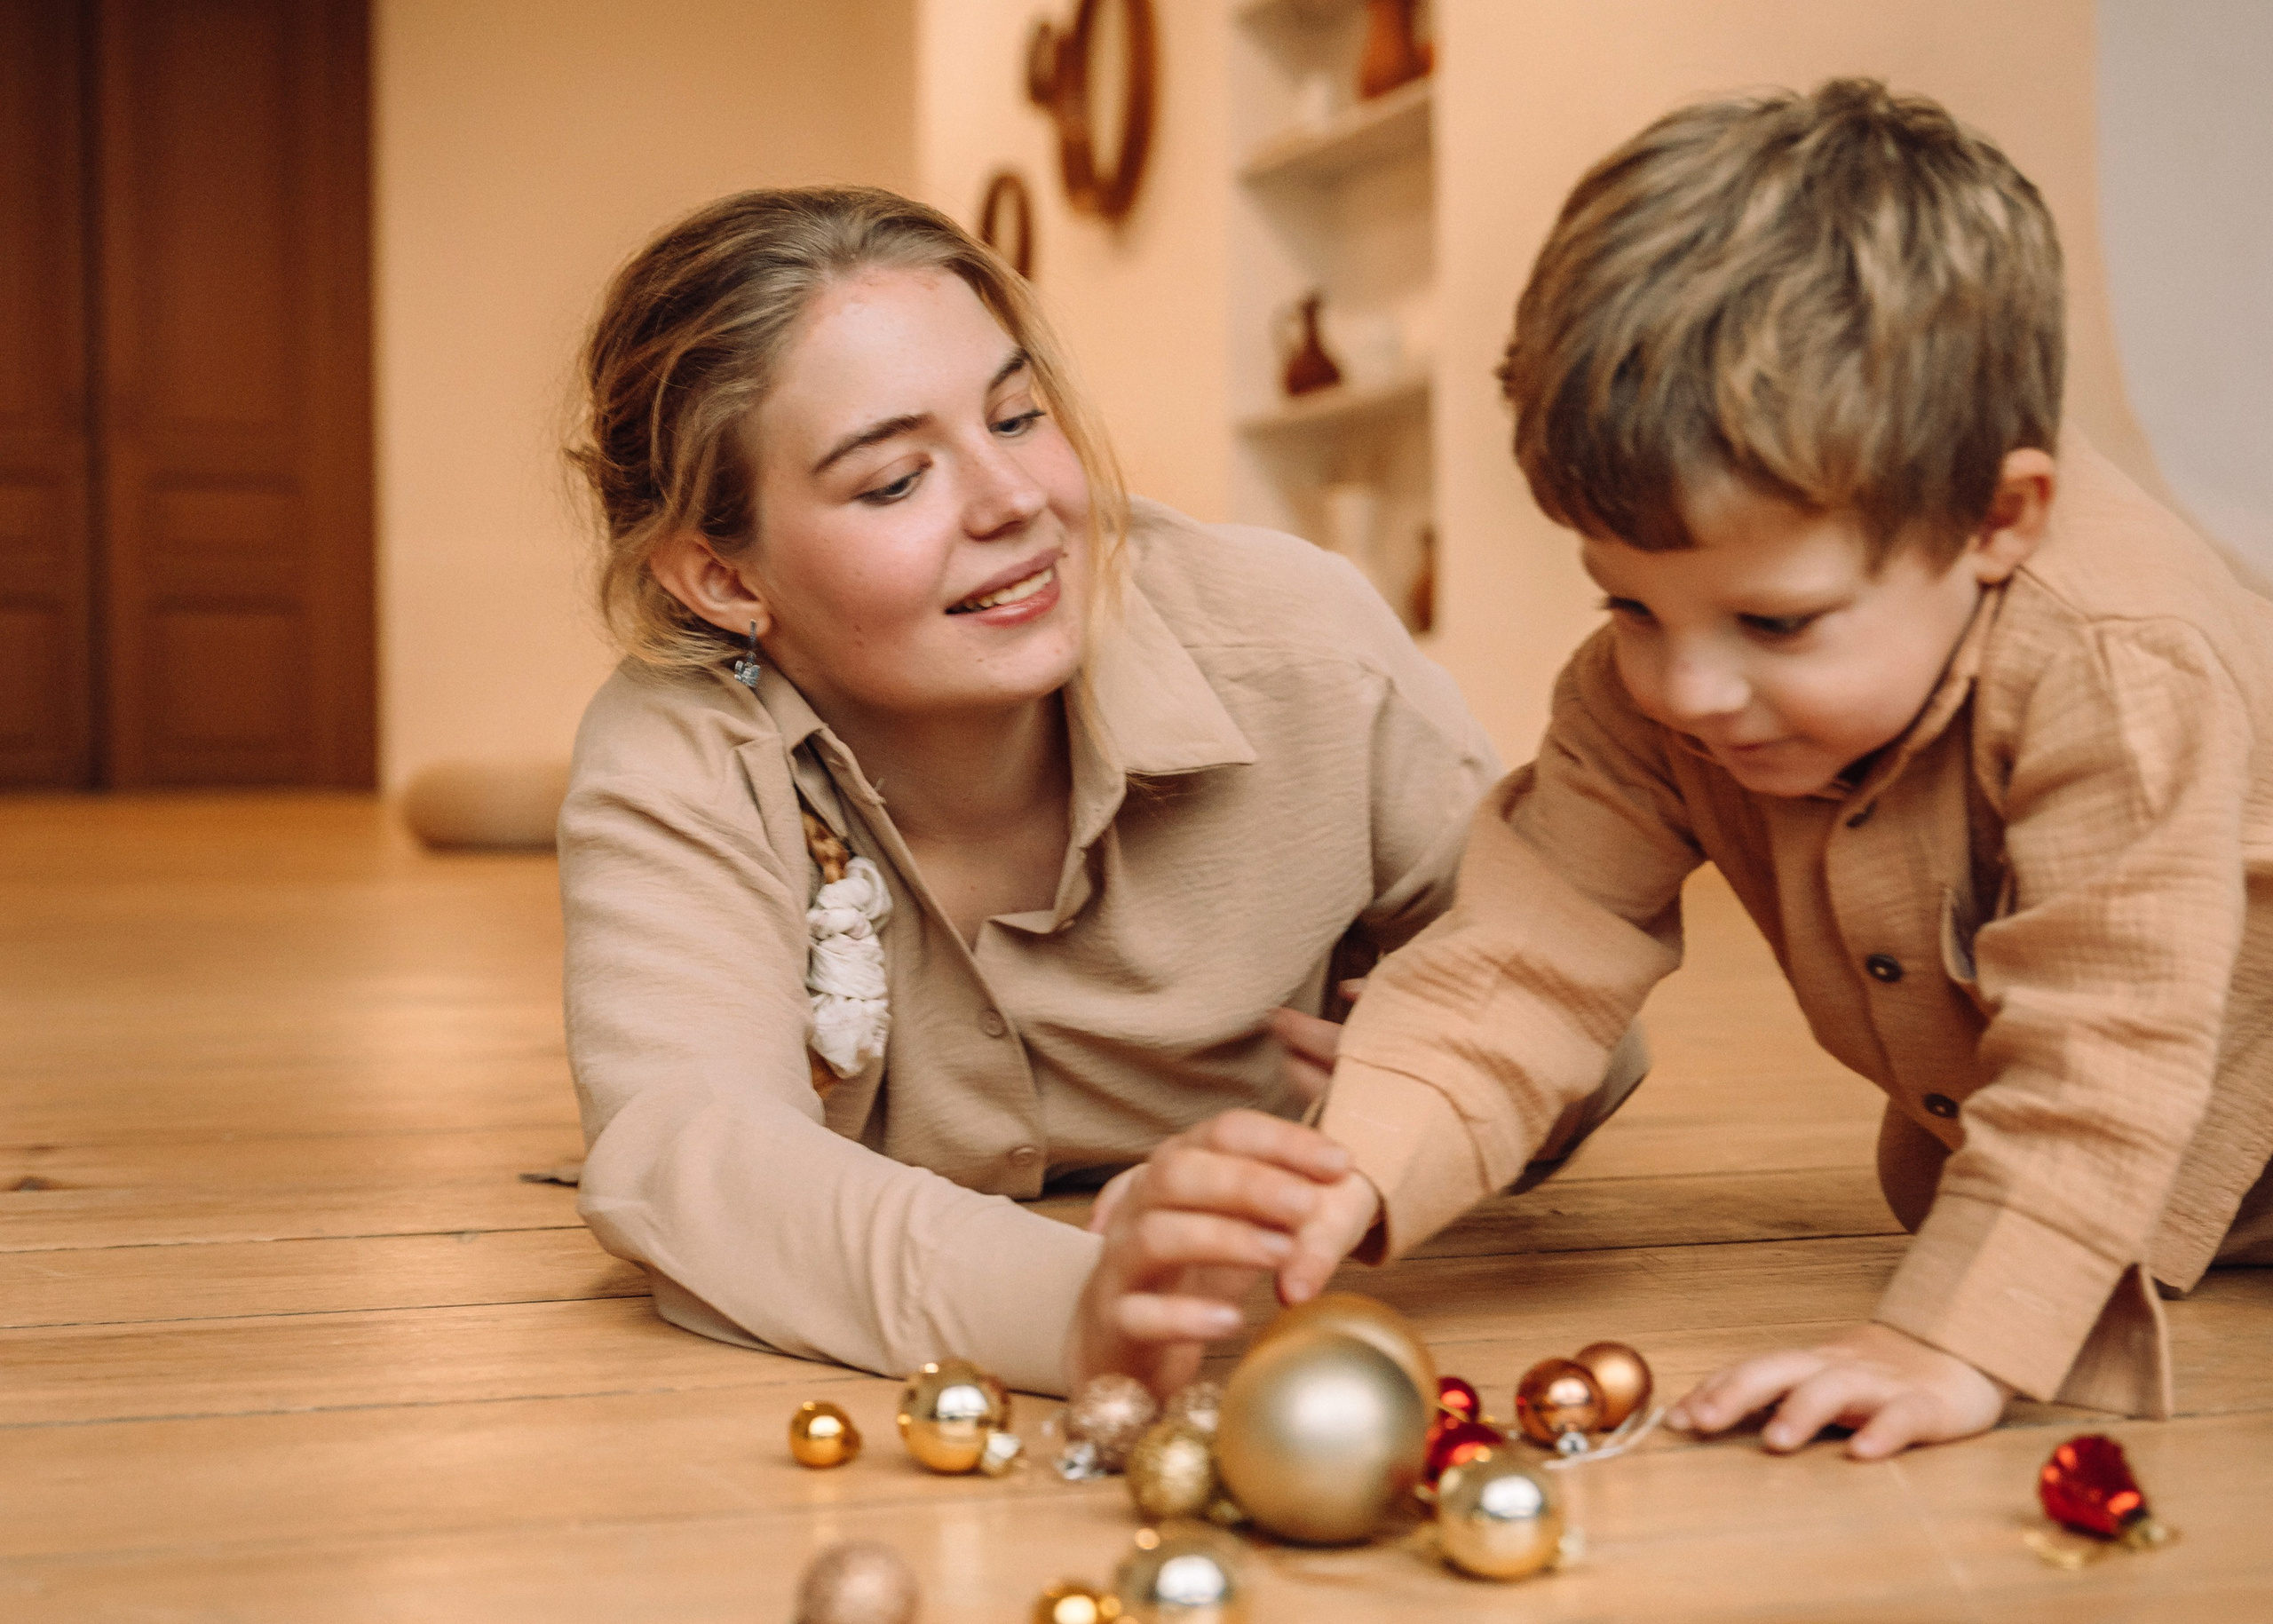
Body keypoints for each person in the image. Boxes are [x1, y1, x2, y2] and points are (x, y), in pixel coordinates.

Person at [1088, 78, 2273, 1456]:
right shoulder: (1650, 693)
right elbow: (1522, 960)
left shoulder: (2122, 664)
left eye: (1776, 622)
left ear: (1997, 519)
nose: (1688, 688)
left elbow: (2104, 1047)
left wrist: (1950, 1341)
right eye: (1628, 604)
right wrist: (1345, 1174)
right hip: (2087, 1167)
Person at [557, 185, 1646, 1397]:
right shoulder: (679, 751)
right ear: (720, 575)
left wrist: (1420, 1095)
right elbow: (693, 1158)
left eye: (1018, 417)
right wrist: (1075, 1300)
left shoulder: (1300, 643)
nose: (1014, 500)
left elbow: (1578, 1016)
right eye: (892, 482)